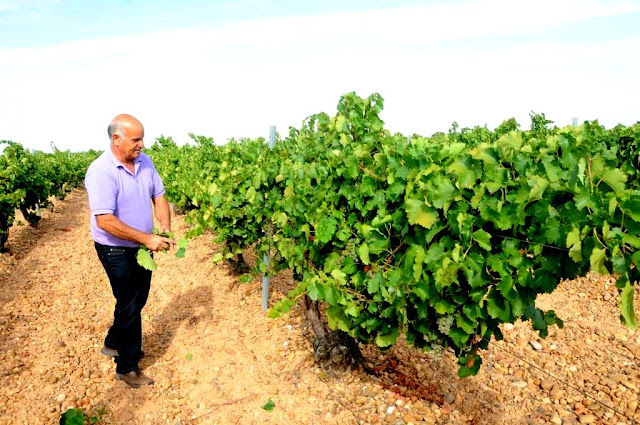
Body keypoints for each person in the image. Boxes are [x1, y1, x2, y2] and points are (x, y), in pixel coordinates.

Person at [85, 114, 174, 388]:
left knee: (137, 299)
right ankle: (127, 366)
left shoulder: (145, 163)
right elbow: (105, 220)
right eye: (136, 139)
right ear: (116, 139)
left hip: (142, 246)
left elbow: (158, 196)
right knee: (130, 302)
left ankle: (113, 342)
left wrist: (166, 229)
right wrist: (147, 238)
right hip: (114, 248)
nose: (142, 145)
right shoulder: (102, 171)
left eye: (142, 138)